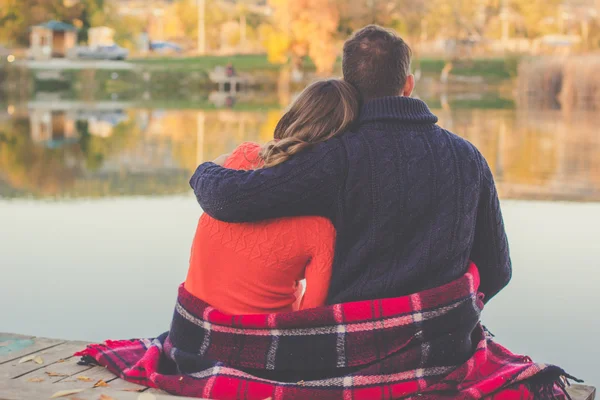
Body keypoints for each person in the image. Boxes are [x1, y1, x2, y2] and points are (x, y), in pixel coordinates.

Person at [190, 25, 512, 305]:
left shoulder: (334, 158)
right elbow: (497, 271)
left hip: (351, 345)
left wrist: (204, 169)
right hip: (443, 344)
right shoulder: (469, 158)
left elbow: (227, 198)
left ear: (348, 86)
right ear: (408, 85)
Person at [184, 79, 360, 314]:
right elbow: (311, 317)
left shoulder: (241, 156)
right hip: (257, 343)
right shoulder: (320, 230)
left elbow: (211, 166)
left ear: (294, 115)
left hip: (190, 327)